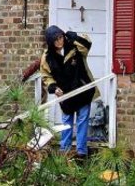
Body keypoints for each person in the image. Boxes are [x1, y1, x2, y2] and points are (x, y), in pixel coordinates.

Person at [40, 25, 99, 157]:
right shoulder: (47, 57)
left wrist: (75, 38)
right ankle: (64, 150)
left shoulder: (74, 46)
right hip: (65, 94)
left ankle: (81, 152)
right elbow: (46, 75)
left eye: (61, 37)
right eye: (56, 40)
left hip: (82, 91)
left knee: (82, 121)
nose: (60, 41)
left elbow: (87, 46)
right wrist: (53, 87)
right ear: (51, 42)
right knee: (67, 121)